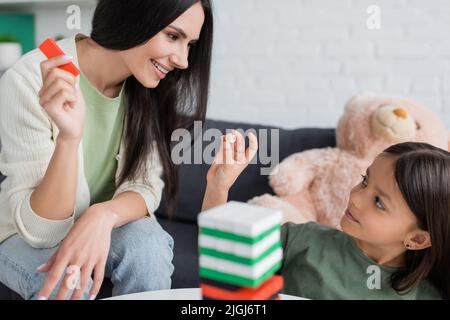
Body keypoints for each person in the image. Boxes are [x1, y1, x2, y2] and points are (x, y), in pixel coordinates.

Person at [0, 0, 213, 300]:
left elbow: (146, 186)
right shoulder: (29, 79)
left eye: (190, 44)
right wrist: (69, 138)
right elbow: (41, 232)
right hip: (21, 235)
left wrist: (102, 215)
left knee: (148, 244)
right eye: (173, 36)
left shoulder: (147, 88)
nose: (183, 60)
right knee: (69, 281)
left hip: (103, 228)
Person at [202, 131, 449, 299]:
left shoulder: (425, 295)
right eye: (365, 181)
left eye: (379, 202)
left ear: (417, 239)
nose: (355, 197)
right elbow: (223, 253)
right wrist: (218, 188)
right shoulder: (302, 239)